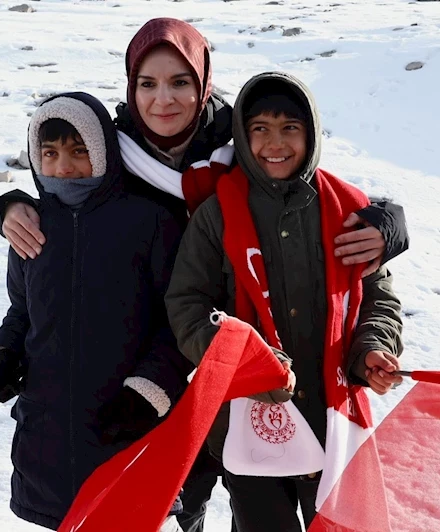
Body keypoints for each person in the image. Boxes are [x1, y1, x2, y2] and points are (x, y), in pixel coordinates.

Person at [0, 18, 410, 532]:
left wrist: (387, 222)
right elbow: (64, 184)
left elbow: (309, 194)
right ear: (131, 87)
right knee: (179, 501)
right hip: (148, 363)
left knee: (239, 492)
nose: (163, 99)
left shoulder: (242, 144)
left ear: (203, 81)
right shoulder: (114, 153)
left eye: (180, 81)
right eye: (147, 83)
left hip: (246, 365)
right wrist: (11, 206)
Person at [164, 71, 405, 532]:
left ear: (311, 134)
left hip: (333, 419)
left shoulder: (348, 212)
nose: (275, 143)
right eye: (260, 129)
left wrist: (371, 347)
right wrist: (245, 362)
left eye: (290, 128)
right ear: (243, 135)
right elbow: (188, 306)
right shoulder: (219, 214)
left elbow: (376, 294)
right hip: (247, 424)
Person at [0, 92, 191, 532]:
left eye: (79, 152)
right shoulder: (31, 224)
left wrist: (147, 393)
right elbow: (22, 308)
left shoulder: (149, 221)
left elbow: (177, 323)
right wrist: (3, 353)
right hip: (48, 437)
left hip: (127, 426)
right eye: (50, 153)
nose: (63, 167)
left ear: (104, 152)